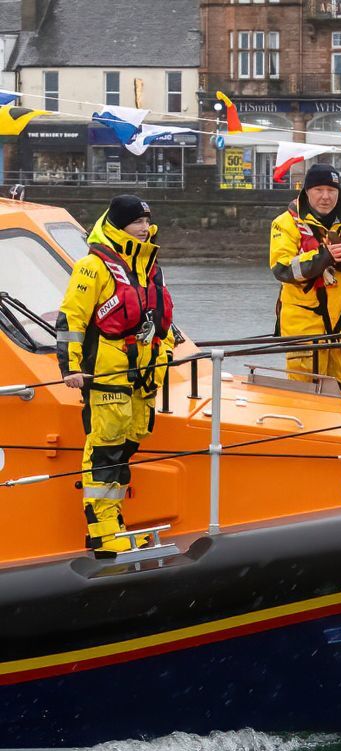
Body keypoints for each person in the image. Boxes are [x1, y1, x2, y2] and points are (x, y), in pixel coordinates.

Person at [56, 195, 175, 558]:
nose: (144, 228)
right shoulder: (93, 266)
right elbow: (71, 321)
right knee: (105, 449)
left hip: (143, 374)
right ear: (119, 225)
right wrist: (72, 368)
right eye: (136, 222)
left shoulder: (150, 266)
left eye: (146, 221)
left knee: (128, 443)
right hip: (107, 373)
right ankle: (104, 534)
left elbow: (162, 318)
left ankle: (116, 523)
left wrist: (165, 353)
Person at [268, 163, 341, 394]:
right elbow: (282, 268)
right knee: (305, 393)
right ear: (306, 191)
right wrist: (324, 256)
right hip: (305, 326)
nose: (325, 197)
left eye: (331, 190)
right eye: (318, 190)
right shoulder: (285, 223)